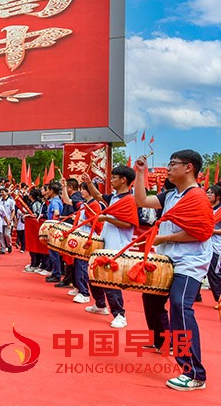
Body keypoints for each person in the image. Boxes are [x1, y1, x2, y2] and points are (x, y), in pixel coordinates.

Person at [134, 149, 214, 391]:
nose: (168, 168)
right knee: (151, 299)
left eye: (172, 164)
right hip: (166, 259)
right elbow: (141, 201)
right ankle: (164, 341)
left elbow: (201, 233)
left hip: (190, 262)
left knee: (180, 305)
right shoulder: (170, 195)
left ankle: (194, 373)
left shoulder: (198, 197)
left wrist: (163, 238)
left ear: (188, 167)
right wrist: (140, 173)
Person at [82, 166, 137, 328]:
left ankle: (120, 314)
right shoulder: (114, 197)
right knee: (93, 273)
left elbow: (128, 224)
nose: (111, 180)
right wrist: (89, 183)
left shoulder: (129, 200)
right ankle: (100, 304)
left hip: (117, 246)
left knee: (110, 280)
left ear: (123, 180)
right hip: (105, 242)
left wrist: (106, 218)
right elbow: (98, 196)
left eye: (114, 178)